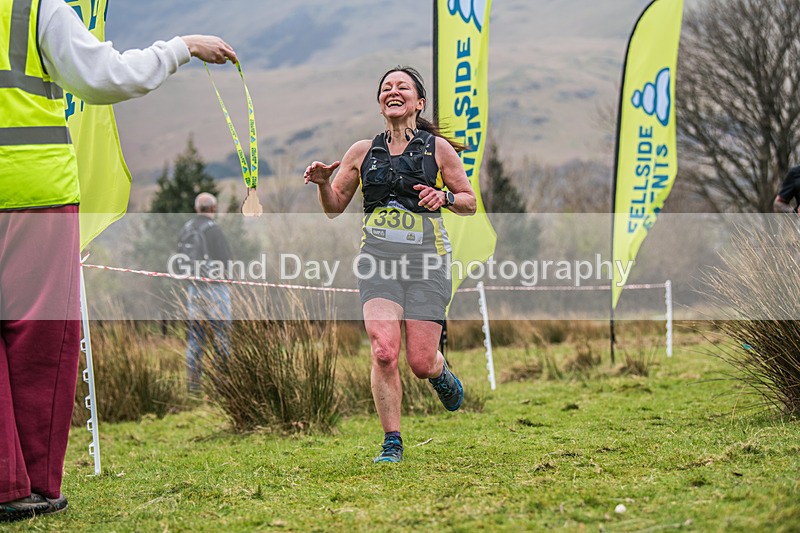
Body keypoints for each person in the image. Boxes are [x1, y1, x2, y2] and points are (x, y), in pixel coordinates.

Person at [0, 0, 237, 522]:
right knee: (40, 340)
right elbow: (105, 77)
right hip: (34, 193)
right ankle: (28, 485)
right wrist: (181, 47)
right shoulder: (34, 9)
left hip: (35, 194)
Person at [304, 66, 477, 463]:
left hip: (427, 265)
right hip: (377, 263)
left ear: (419, 102)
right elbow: (334, 208)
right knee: (383, 351)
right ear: (380, 103)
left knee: (419, 361)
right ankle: (392, 442)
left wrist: (445, 199)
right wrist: (321, 186)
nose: (393, 91)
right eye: (386, 87)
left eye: (402, 87)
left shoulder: (438, 149)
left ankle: (439, 370)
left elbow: (468, 200)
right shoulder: (362, 152)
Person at [181, 192, 233, 394]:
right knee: (221, 337)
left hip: (194, 289)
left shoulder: (186, 229)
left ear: (197, 209)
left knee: (195, 338)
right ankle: (224, 385)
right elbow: (227, 260)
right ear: (213, 208)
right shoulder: (214, 230)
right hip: (216, 290)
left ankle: (193, 387)